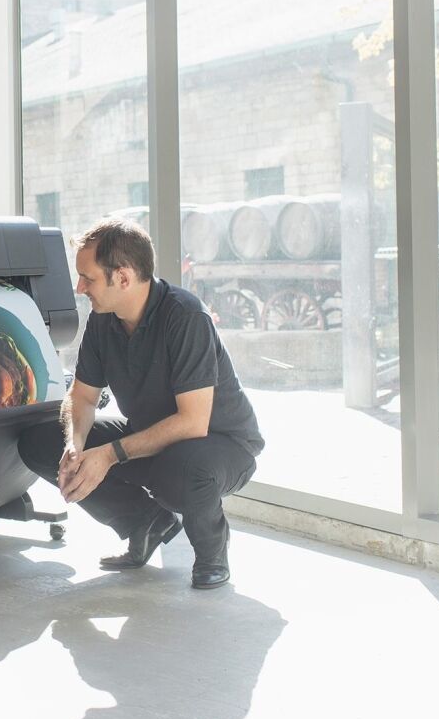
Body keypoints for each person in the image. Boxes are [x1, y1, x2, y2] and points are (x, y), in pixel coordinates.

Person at [18, 218, 264, 589]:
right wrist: (76, 445)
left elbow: (193, 423)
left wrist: (108, 455)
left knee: (179, 469)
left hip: (220, 445)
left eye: (88, 278)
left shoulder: (185, 318)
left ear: (123, 277)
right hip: (150, 439)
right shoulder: (104, 320)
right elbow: (82, 397)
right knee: (38, 440)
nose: (79, 287)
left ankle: (213, 553)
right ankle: (144, 523)